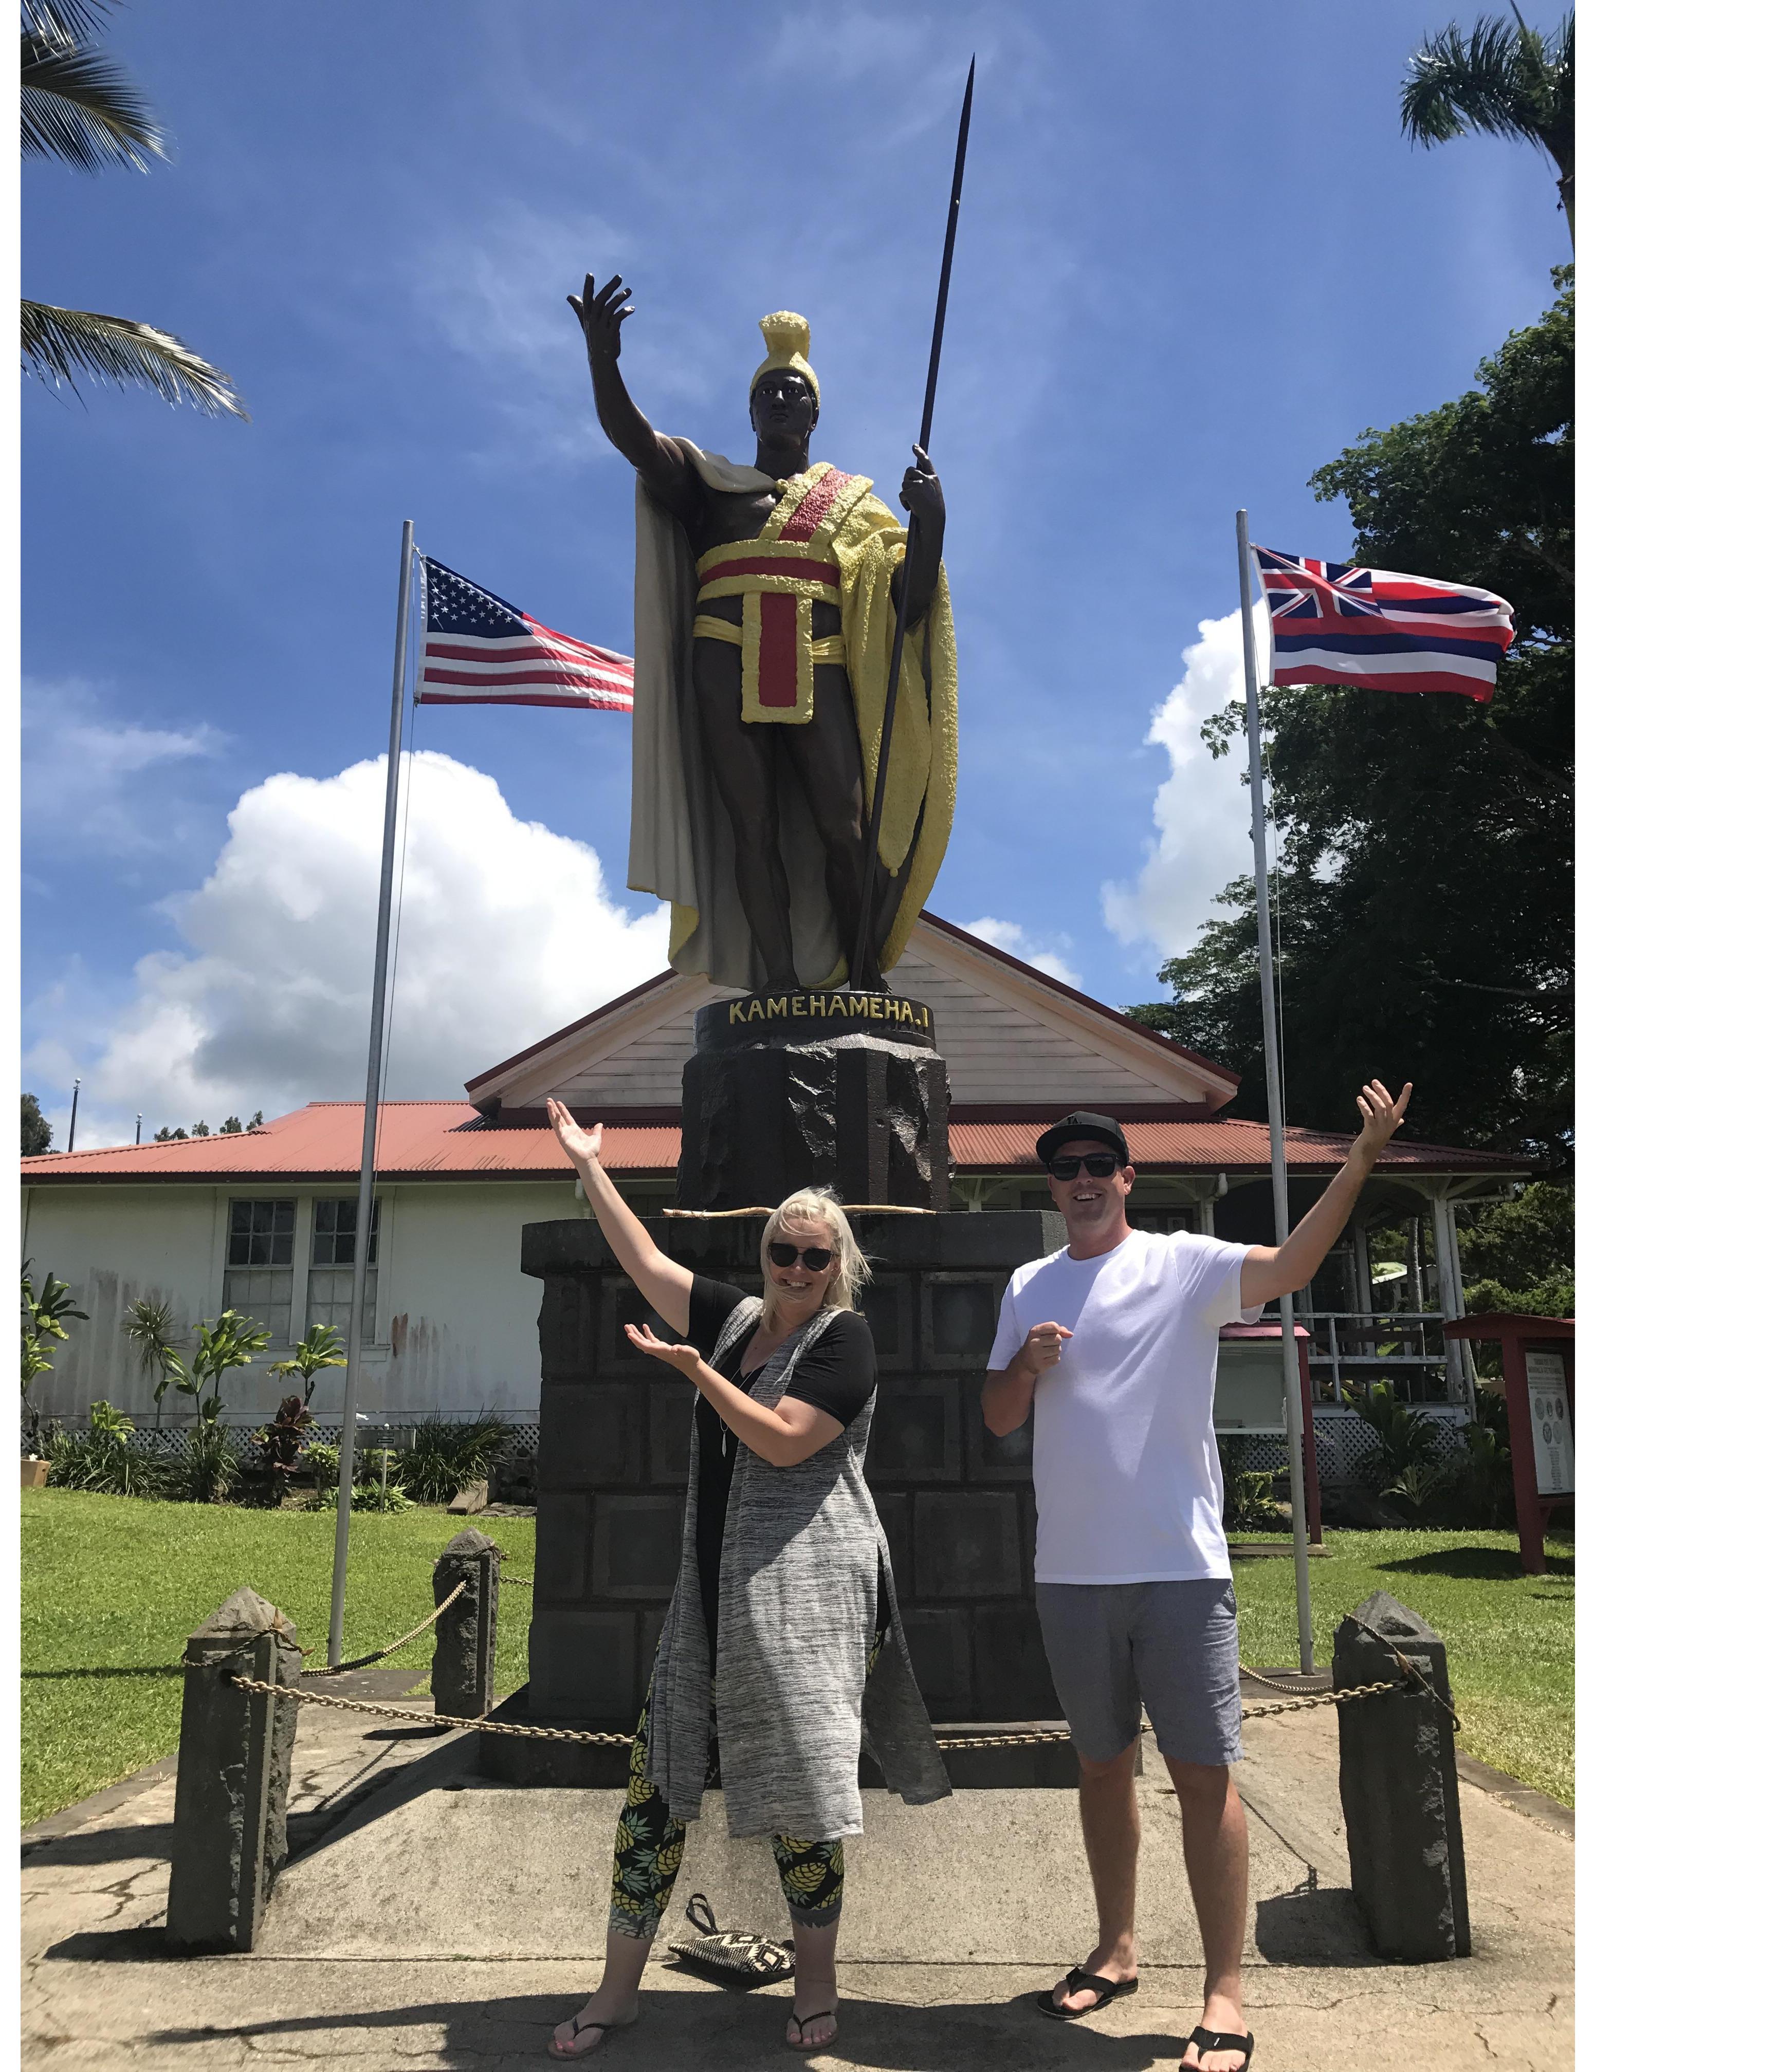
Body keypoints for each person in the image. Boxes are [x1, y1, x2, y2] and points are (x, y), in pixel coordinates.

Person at [982, 1087, 1413, 2072]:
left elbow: (1294, 1264)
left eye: (1100, 1166)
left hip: (1179, 1568)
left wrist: (1360, 1156)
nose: (1083, 1181)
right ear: (1051, 1185)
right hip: (1072, 1573)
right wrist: (1032, 1369)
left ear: (1128, 1177)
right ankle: (1116, 1948)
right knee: (1099, 1766)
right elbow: (1000, 1414)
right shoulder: (1028, 1285)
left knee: (1202, 1776)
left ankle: (1224, 1990)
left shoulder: (1183, 1264)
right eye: (1066, 1168)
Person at [545, 1097, 949, 2059]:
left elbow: (782, 1442)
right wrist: (588, 1166)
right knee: (654, 1791)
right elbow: (644, 1260)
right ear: (763, 1253)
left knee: (803, 1800)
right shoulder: (732, 1320)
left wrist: (698, 1376)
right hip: (712, 1598)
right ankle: (617, 1991)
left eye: (816, 1256)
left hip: (807, 1602)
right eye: (783, 1251)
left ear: (841, 1264)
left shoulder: (843, 1341)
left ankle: (816, 1989)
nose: (798, 1269)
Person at [568, 275, 959, 991]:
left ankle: (865, 976)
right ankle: (776, 982)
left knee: (845, 828)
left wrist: (930, 520)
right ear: (751, 411)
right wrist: (604, 362)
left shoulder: (857, 506)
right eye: (769, 392)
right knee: (750, 828)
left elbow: (909, 601)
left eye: (795, 392)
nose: (782, 399)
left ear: (815, 414)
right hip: (725, 654)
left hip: (824, 660)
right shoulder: (714, 487)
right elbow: (637, 443)